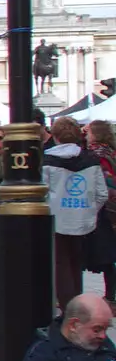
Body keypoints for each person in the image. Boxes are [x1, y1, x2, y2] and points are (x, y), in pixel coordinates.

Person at [44, 116, 108, 310]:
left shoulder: (46, 160)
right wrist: (89, 211)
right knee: (76, 263)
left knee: (60, 263)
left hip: (57, 219)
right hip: (82, 219)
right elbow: (101, 194)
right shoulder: (91, 159)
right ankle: (75, 304)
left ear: (55, 136)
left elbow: (42, 192)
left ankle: (67, 307)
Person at [83, 120, 116, 303]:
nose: (86, 136)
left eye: (88, 133)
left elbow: (103, 184)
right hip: (112, 209)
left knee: (106, 253)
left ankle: (110, 297)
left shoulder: (96, 155)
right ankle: (111, 295)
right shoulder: (111, 152)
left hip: (104, 209)